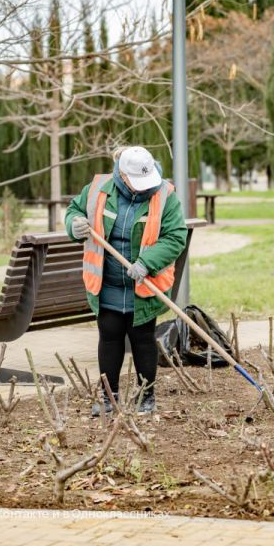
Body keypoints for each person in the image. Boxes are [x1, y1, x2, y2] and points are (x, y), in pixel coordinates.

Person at [65, 146, 187, 416]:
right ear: (122, 175)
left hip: (143, 284)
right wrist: (74, 224)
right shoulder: (97, 189)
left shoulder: (165, 196)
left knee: (143, 338)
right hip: (106, 282)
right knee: (109, 335)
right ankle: (109, 397)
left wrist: (147, 262)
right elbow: (74, 210)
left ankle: (146, 396)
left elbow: (176, 236)